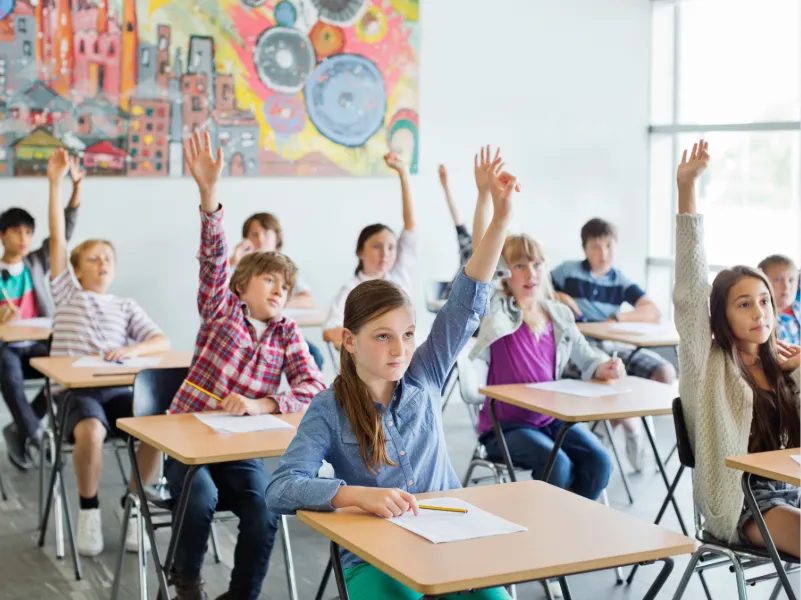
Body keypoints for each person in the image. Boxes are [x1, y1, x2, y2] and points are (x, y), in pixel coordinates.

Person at [265, 151, 520, 600]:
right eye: (382, 336)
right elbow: (281, 487)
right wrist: (354, 496)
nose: (399, 348)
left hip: (451, 538)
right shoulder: (330, 408)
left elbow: (466, 302)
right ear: (349, 341)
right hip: (373, 556)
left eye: (405, 334)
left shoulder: (425, 374)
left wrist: (500, 218)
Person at [164, 130, 326, 600]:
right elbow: (213, 262)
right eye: (269, 280)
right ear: (242, 287)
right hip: (190, 438)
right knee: (201, 499)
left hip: (241, 446)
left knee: (265, 505)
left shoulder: (287, 331)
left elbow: (314, 387)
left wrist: (264, 402)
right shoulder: (221, 310)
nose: (278, 290)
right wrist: (209, 195)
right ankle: (187, 584)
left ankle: (241, 597)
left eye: (285, 286)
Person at [674, 139, 799, 557]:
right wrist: (687, 189)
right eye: (744, 304)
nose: (759, 312)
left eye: (764, 301)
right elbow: (691, 290)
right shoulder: (706, 365)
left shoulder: (781, 364)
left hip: (793, 491)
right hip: (743, 505)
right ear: (721, 316)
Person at [47, 149, 171, 557]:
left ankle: (134, 505)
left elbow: (161, 341)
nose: (102, 264)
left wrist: (130, 349)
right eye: (93, 258)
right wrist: (57, 185)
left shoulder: (125, 305)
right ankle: (88, 509)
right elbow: (59, 240)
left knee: (156, 426)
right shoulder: (67, 295)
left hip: (119, 390)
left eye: (108, 259)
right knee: (91, 432)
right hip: (77, 396)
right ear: (76, 270)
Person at [551, 218, 677, 471]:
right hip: (580, 347)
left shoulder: (619, 279)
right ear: (584, 248)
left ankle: (621, 421)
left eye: (609, 246)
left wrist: (619, 317)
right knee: (611, 375)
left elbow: (652, 311)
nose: (603, 253)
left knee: (665, 372)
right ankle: (628, 425)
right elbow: (540, 292)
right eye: (596, 247)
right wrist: (561, 296)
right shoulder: (567, 272)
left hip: (614, 343)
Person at [0, 159, 82, 470]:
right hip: (6, 349)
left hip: (37, 343)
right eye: (16, 232)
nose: (23, 238)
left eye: (28, 232)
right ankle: (35, 433)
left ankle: (22, 428)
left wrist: (75, 190)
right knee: (7, 367)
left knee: (66, 365)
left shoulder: (36, 262)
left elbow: (65, 232)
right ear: (2, 235)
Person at [323, 152, 418, 336]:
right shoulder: (351, 290)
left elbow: (411, 226)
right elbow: (329, 332)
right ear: (360, 252)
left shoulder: (399, 277)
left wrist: (403, 173)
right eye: (376, 247)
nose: (385, 254)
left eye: (391, 247)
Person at [228, 212, 324, 368]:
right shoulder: (239, 267)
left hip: (279, 332)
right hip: (245, 332)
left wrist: (275, 302)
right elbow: (222, 294)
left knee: (314, 356)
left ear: (276, 237)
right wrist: (233, 262)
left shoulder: (285, 268)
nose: (260, 240)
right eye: (254, 234)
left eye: (266, 233)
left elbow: (308, 299)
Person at [758, 255, 800, 345]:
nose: (786, 286)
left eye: (791, 280)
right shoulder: (762, 320)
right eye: (777, 280)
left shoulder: (798, 305)